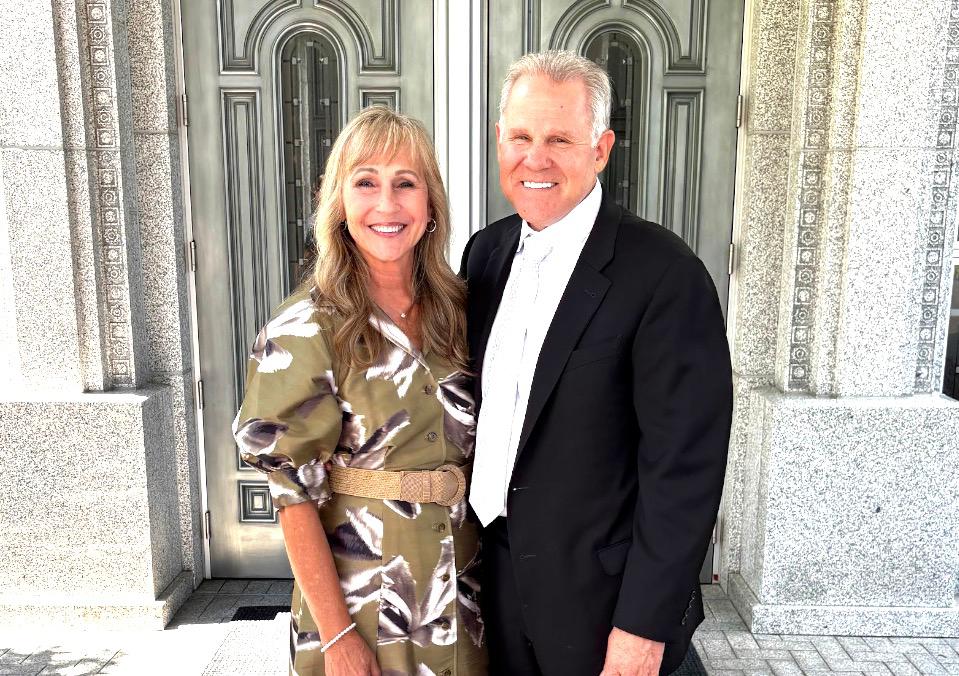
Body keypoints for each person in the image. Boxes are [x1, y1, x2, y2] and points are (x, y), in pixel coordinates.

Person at [461, 50, 733, 675]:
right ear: (499, 140)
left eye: (559, 139)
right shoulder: (484, 254)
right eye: (521, 137)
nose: (535, 158)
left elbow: (684, 471)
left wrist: (643, 626)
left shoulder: (665, 275)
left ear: (602, 149)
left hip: (602, 608)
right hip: (492, 587)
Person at [234, 106, 485, 676]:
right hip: (364, 604)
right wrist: (338, 636)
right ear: (339, 203)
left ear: (430, 204)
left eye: (406, 183)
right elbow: (293, 496)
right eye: (366, 183)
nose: (387, 205)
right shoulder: (304, 329)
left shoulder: (463, 311)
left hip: (464, 593)